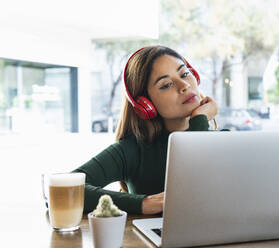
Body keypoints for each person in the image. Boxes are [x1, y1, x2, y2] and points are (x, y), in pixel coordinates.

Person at [72, 46, 219, 215]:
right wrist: (143, 203)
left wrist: (199, 121)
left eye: (185, 74)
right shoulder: (131, 150)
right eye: (166, 84)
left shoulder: (227, 142)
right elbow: (66, 188)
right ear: (145, 104)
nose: (184, 85)